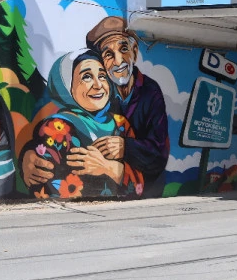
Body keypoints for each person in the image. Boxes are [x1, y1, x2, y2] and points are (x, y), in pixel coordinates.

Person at [18, 50, 144, 199]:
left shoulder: (120, 124)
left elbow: (139, 186)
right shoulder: (57, 127)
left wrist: (107, 167)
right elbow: (41, 185)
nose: (98, 85)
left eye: (102, 76)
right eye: (87, 77)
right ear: (67, 86)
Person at [84, 16, 171, 195]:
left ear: (134, 52)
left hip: (147, 189)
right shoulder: (97, 93)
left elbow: (159, 152)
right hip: (106, 188)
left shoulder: (150, 91)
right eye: (108, 54)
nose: (118, 61)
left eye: (123, 49)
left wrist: (125, 147)